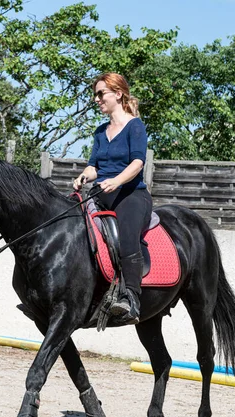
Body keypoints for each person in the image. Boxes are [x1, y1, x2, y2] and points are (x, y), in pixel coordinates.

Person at [73, 72, 152, 324]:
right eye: (95, 95)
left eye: (101, 94)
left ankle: (131, 299)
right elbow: (94, 166)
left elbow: (138, 162)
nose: (97, 99)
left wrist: (117, 181)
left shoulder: (135, 126)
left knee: (128, 239)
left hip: (130, 194)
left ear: (118, 94)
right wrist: (85, 175)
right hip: (101, 192)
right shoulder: (100, 131)